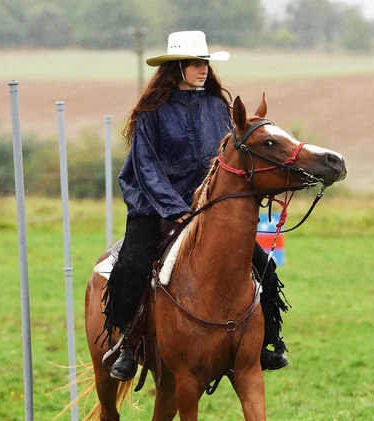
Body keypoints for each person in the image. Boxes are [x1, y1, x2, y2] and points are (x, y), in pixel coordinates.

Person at [101, 30, 289, 381]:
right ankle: (126, 343)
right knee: (133, 264)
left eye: (204, 63)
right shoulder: (151, 112)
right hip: (153, 205)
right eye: (194, 63)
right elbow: (145, 167)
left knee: (264, 267)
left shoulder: (217, 106)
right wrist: (175, 209)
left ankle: (268, 342)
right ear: (176, 68)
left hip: (208, 206)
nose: (202, 69)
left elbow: (227, 160)